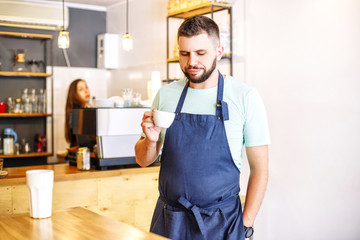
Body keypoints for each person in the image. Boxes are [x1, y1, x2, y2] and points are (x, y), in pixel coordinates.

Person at [135, 15, 270, 240]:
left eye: (201, 53)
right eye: (184, 53)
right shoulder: (166, 95)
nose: (191, 62)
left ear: (219, 51)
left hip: (223, 225)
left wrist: (245, 226)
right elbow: (142, 160)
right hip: (170, 222)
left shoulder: (245, 96)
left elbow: (260, 170)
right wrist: (150, 140)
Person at [65, 79, 91, 147]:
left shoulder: (87, 110)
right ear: (74, 94)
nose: (86, 91)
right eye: (81, 89)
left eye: (86, 87)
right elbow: (86, 141)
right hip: (78, 153)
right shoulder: (75, 114)